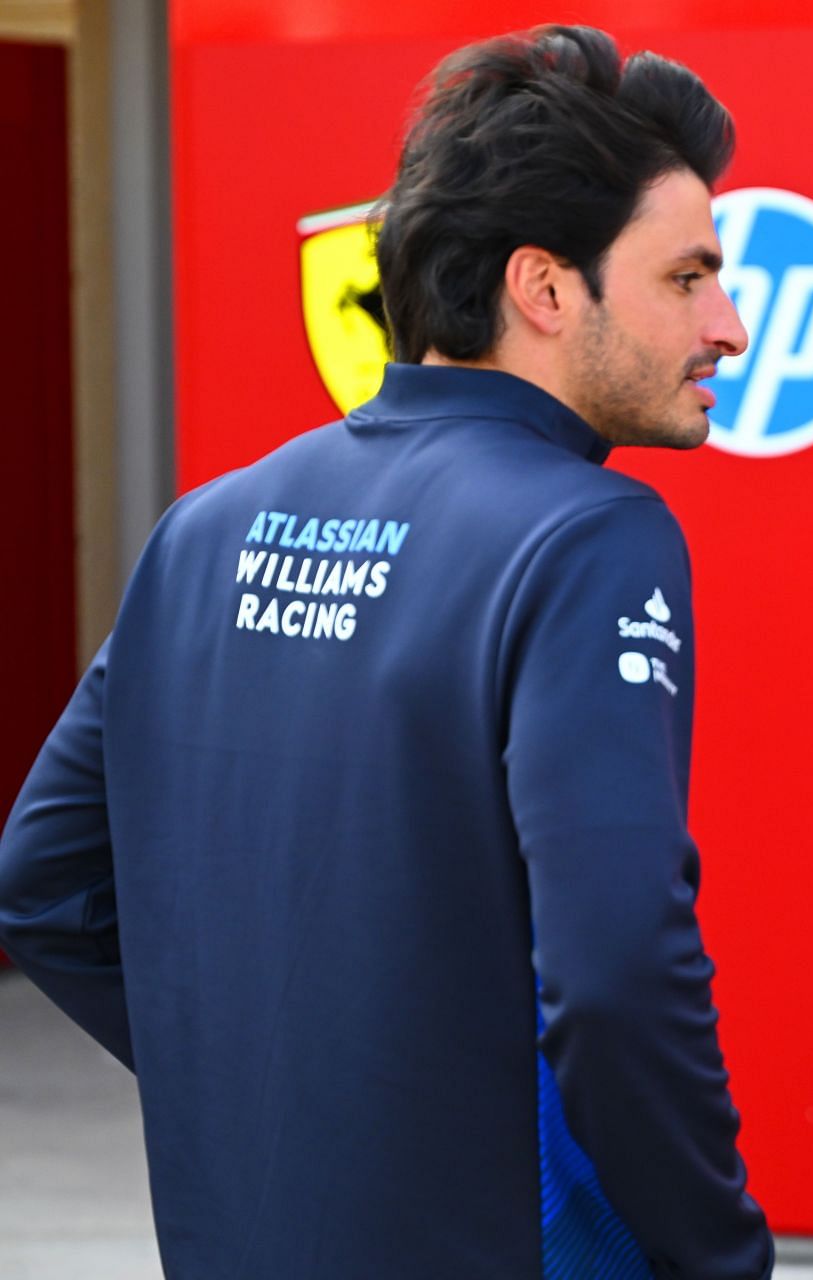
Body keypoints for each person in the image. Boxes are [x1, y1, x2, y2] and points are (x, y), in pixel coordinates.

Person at [0, 26, 771, 1280]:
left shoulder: (206, 526)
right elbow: (621, 973)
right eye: (688, 276)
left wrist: (254, 1084)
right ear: (544, 288)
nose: (728, 323)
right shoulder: (589, 535)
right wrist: (719, 1254)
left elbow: (45, 883)